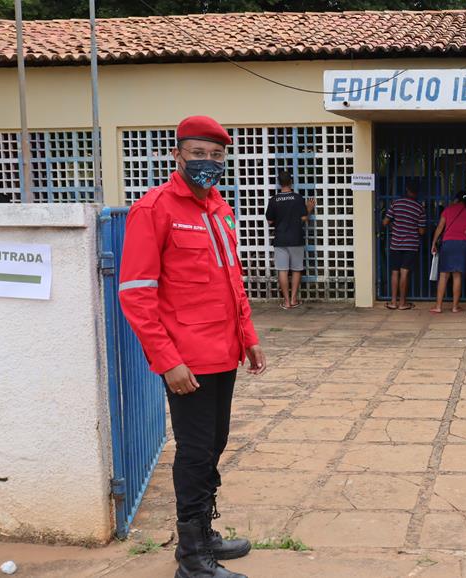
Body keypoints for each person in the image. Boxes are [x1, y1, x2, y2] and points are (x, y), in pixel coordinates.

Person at [119, 116, 266, 578]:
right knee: (196, 450)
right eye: (198, 153)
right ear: (177, 155)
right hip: (187, 361)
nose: (209, 162)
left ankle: (205, 536)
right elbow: (136, 293)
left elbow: (231, 282)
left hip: (224, 352)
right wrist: (168, 362)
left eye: (217, 155)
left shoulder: (219, 209)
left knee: (214, 445)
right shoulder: (154, 210)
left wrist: (250, 337)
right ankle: (192, 559)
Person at [265, 170, 315, 310]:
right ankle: (293, 300)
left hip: (280, 239)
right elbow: (304, 218)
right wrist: (309, 209)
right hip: (296, 238)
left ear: (279, 183)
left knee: (282, 270)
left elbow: (269, 221)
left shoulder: (274, 200)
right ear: (291, 181)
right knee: (296, 269)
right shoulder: (298, 198)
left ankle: (286, 302)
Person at [382, 182, 426, 310]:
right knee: (404, 273)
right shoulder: (419, 208)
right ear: (417, 193)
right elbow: (422, 231)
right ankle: (402, 303)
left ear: (406, 190)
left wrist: (394, 226)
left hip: (395, 243)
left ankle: (393, 302)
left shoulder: (396, 203)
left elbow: (385, 222)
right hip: (411, 245)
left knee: (394, 273)